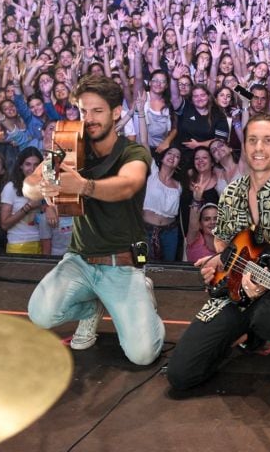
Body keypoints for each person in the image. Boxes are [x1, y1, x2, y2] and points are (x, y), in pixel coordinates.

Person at [166, 113, 270, 391]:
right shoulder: (231, 192)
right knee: (181, 375)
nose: (259, 148)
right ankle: (242, 332)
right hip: (235, 287)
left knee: (269, 317)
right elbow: (222, 243)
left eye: (267, 140)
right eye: (252, 140)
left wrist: (264, 283)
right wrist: (220, 260)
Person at [24, 75, 162, 366]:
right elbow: (29, 185)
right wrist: (43, 187)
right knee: (40, 314)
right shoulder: (68, 148)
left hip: (123, 262)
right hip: (80, 260)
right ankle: (89, 310)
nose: (89, 118)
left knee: (142, 355)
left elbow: (127, 185)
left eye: (97, 111)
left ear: (115, 113)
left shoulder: (133, 151)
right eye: (83, 111)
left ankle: (143, 298)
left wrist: (84, 186)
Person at [0, 147, 47, 254]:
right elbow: (4, 224)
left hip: (43, 243)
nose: (32, 169)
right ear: (21, 166)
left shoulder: (45, 186)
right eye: (28, 164)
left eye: (36, 165)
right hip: (18, 244)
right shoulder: (11, 187)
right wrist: (28, 206)